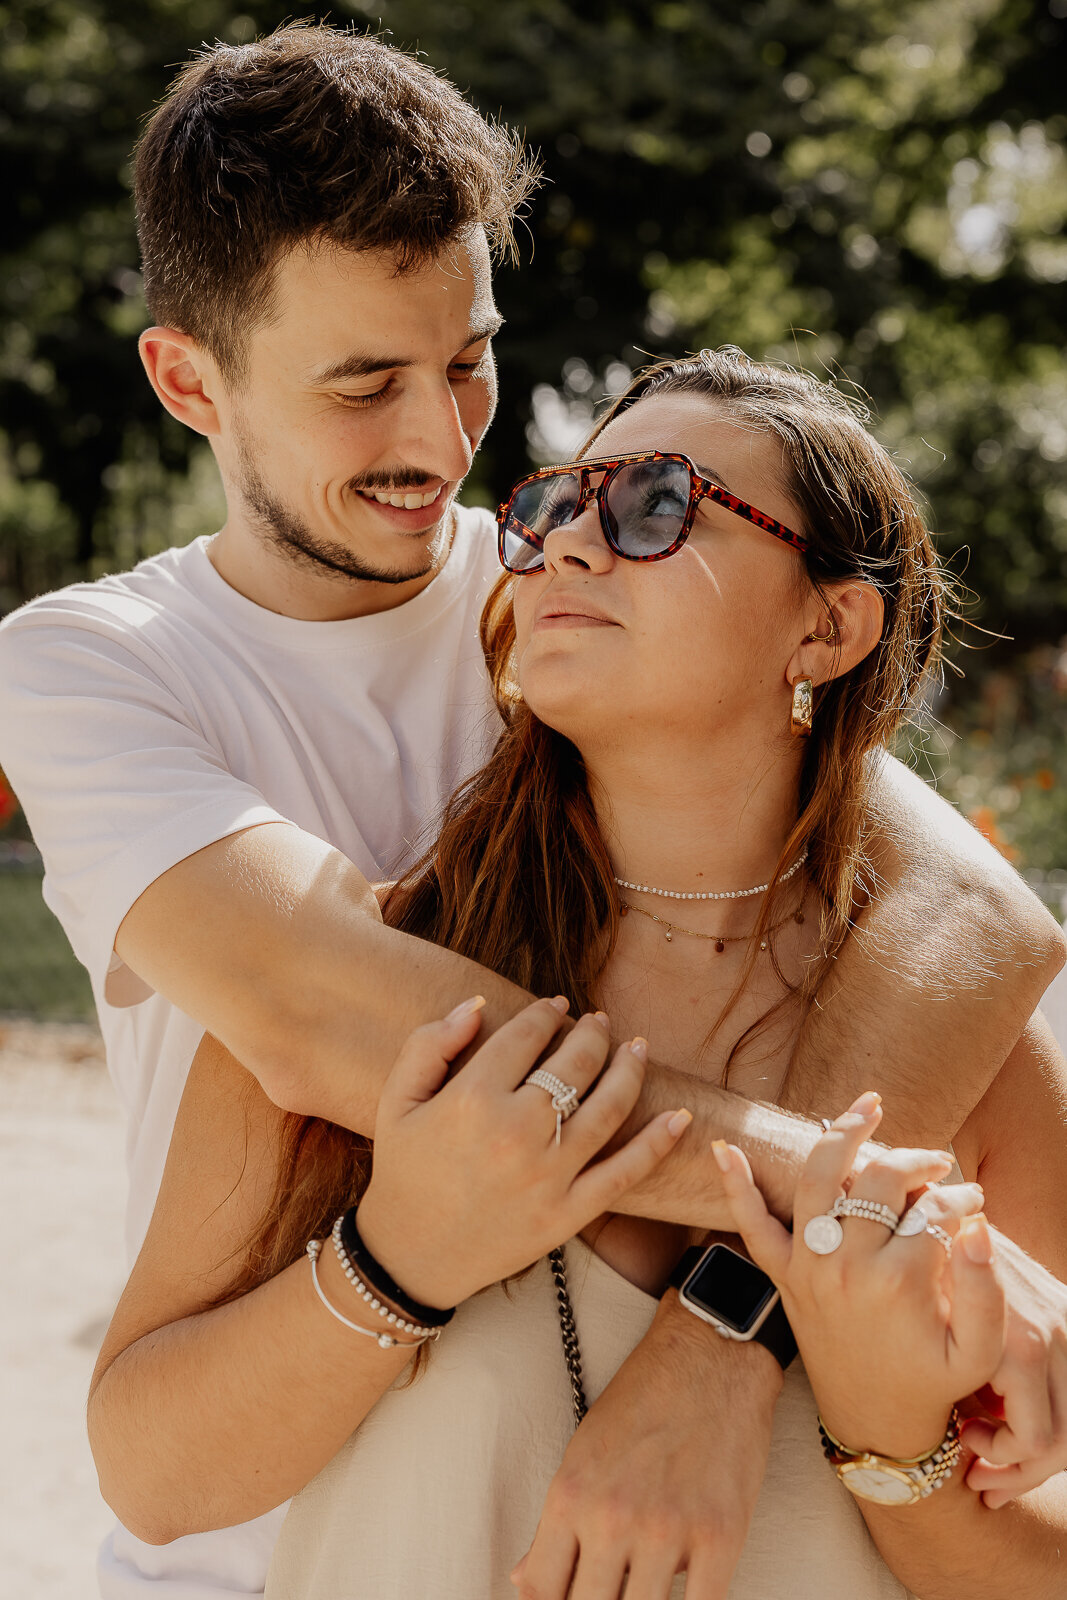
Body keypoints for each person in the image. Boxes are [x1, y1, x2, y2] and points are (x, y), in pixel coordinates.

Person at [0, 22, 1062, 1599]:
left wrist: (727, 1332)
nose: (445, 443)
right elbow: (328, 1014)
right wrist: (842, 1225)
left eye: (468, 358)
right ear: (186, 379)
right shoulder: (98, 666)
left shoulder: (559, 604)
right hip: (258, 1543)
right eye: (363, 385)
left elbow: (966, 910)